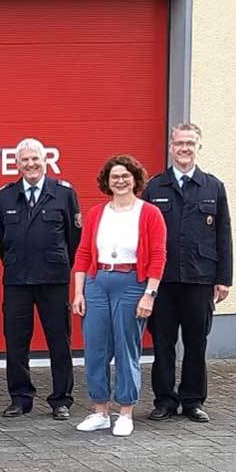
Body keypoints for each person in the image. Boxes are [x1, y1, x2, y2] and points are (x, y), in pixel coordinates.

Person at [143, 122, 234, 423]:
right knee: (163, 343)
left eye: (190, 143)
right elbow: (143, 235)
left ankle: (193, 400)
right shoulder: (155, 187)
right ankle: (165, 400)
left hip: (200, 278)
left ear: (198, 147)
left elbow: (224, 235)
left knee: (197, 343)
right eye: (179, 143)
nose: (184, 148)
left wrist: (224, 278)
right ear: (170, 147)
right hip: (164, 280)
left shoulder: (213, 186)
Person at [72, 154, 167, 437]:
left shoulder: (149, 213)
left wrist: (149, 294)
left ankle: (125, 411)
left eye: (126, 175)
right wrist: (79, 291)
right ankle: (100, 410)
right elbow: (84, 253)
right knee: (95, 348)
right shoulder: (97, 213)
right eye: (115, 176)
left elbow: (159, 257)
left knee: (127, 348)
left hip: (132, 283)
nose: (121, 180)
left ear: (135, 179)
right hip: (97, 282)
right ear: (107, 182)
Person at [0, 138, 82, 421]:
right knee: (16, 341)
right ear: (17, 164)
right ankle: (20, 398)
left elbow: (73, 238)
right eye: (24, 160)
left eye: (35, 159)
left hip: (53, 279)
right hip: (17, 278)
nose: (30, 164)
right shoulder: (4, 195)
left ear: (45, 161)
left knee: (59, 340)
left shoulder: (64, 194)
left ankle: (61, 400)